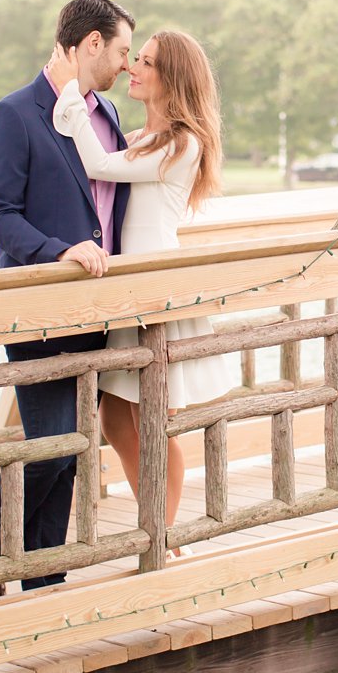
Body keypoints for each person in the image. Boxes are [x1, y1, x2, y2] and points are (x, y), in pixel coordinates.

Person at [0, 0, 134, 598]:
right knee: (53, 444)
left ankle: (45, 576)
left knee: (72, 447)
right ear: (90, 43)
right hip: (36, 306)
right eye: (120, 51)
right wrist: (57, 251)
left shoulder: (106, 113)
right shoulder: (12, 115)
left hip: (96, 307)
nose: (124, 63)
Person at [47, 29, 232, 553]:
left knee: (154, 419)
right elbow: (88, 154)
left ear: (169, 78)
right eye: (136, 59)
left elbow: (98, 165)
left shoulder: (183, 142)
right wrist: (71, 98)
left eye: (145, 62)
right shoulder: (141, 138)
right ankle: (157, 524)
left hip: (158, 290)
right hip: (131, 288)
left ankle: (161, 538)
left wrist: (66, 90)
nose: (133, 68)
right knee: (114, 416)